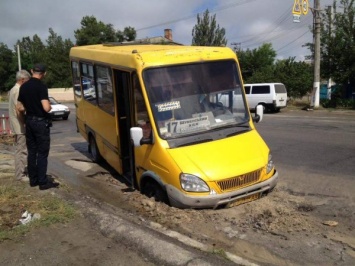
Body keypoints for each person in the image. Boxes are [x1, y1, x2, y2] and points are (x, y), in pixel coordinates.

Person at [17, 63, 59, 190]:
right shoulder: (41, 87)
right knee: (42, 152)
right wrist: (50, 106)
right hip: (40, 122)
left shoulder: (23, 86)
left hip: (29, 121)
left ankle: (33, 180)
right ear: (44, 74)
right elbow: (46, 107)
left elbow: (19, 107)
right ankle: (42, 182)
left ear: (32, 71)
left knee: (32, 151)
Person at [8, 70, 31, 182]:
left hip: (16, 124)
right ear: (22, 80)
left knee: (20, 149)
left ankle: (21, 172)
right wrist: (25, 122)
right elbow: (19, 109)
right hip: (19, 125)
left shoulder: (13, 89)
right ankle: (20, 175)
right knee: (21, 150)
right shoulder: (18, 90)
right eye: (27, 80)